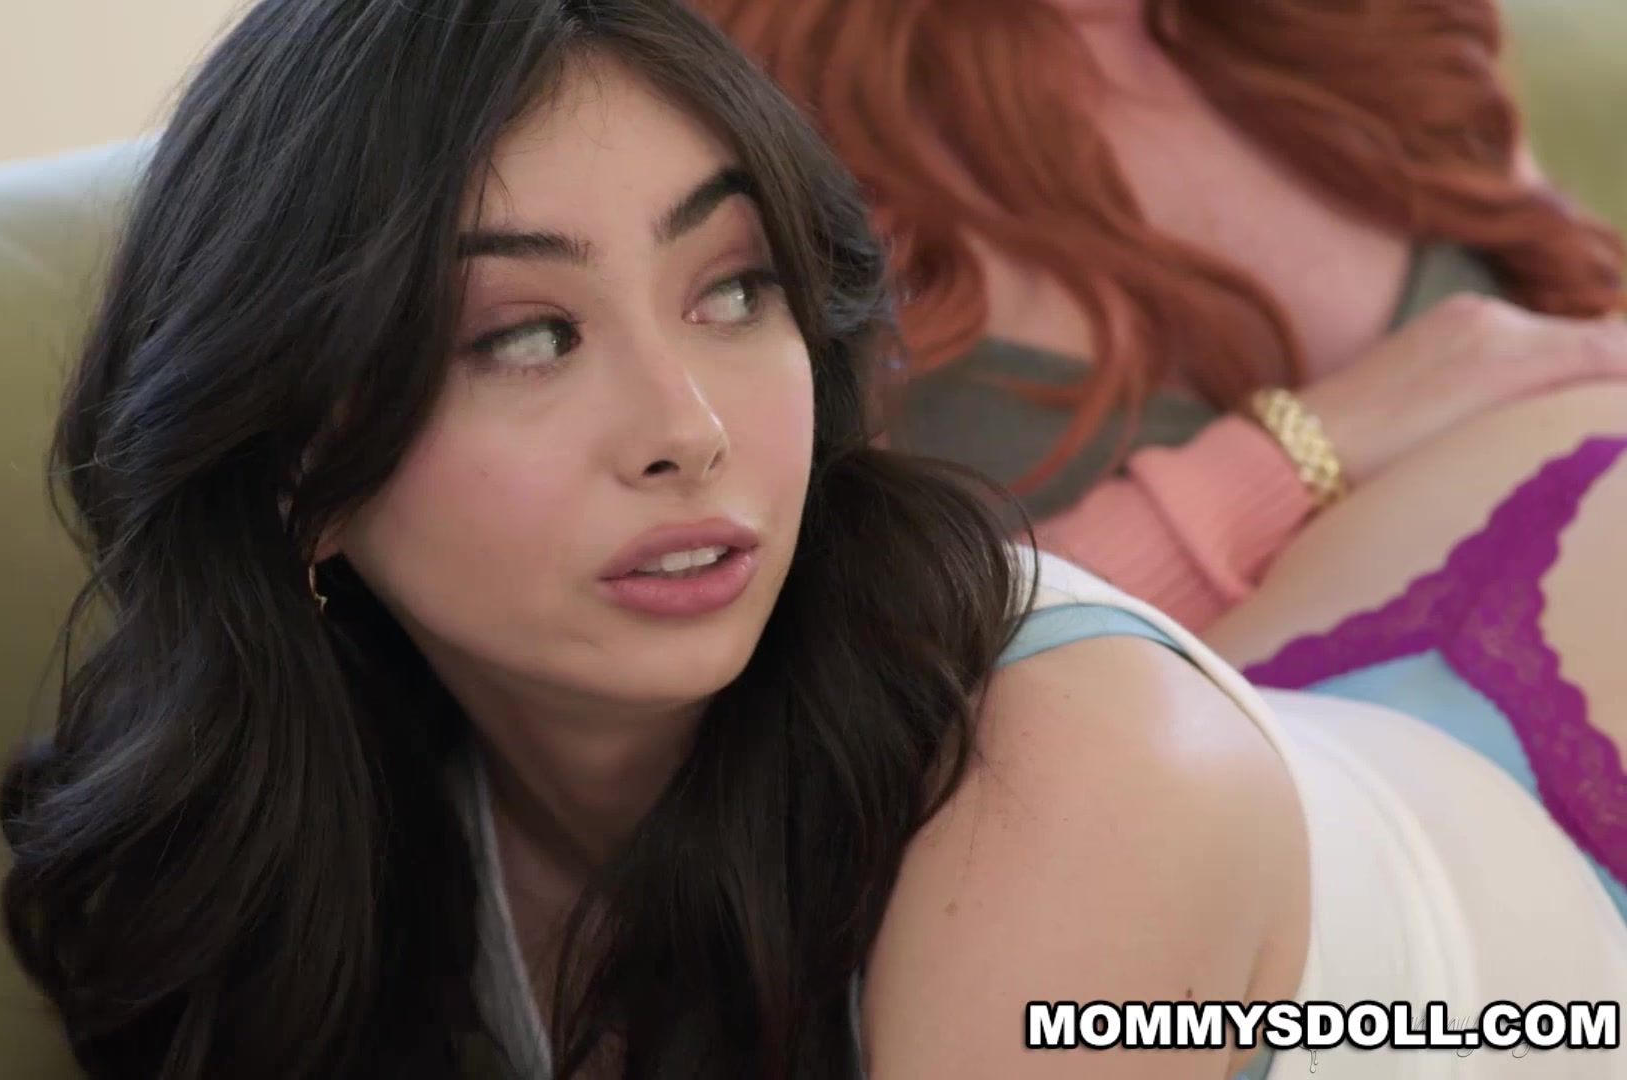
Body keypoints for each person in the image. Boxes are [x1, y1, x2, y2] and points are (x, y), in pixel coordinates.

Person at [0, 1, 1626, 1077]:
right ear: (298, 471)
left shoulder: (1062, 802)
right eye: (527, 336)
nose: (687, 427)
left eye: (732, 291)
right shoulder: (305, 831)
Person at [697, 0, 1627, 916]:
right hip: (1208, 906)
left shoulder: (1384, 31)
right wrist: (1295, 456)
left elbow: (1584, 338)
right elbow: (824, 689)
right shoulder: (750, 84)